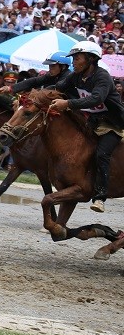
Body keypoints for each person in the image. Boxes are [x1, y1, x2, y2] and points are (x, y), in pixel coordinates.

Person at [49, 42, 122, 213]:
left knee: (102, 153)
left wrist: (67, 103)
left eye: (77, 58)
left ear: (90, 59)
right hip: (93, 122)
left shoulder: (102, 77)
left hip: (114, 125)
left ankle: (100, 197)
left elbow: (96, 99)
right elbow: (58, 87)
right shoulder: (76, 75)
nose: (73, 62)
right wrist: (36, 95)